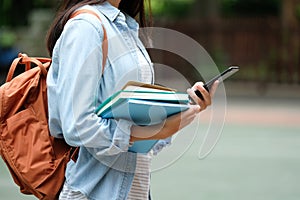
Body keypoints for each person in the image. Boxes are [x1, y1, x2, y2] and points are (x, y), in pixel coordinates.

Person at [46, 0, 218, 199]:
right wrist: (154, 130)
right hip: (93, 191)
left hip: (134, 190)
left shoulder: (124, 26)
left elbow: (134, 138)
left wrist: (182, 112)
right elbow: (77, 126)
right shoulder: (86, 27)